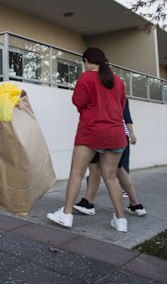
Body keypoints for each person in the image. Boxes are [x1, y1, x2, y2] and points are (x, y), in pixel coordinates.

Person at [47, 47, 129, 233]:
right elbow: (121, 105)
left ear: (86, 60)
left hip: (91, 131)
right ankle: (121, 220)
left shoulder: (86, 78)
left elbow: (78, 101)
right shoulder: (118, 81)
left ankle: (66, 215)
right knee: (111, 176)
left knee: (77, 172)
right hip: (115, 133)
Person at [74, 99, 147, 217]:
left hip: (103, 133)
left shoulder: (103, 93)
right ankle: (136, 204)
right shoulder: (120, 93)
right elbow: (126, 117)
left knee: (95, 167)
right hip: (120, 136)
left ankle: (88, 203)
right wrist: (131, 134)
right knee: (118, 169)